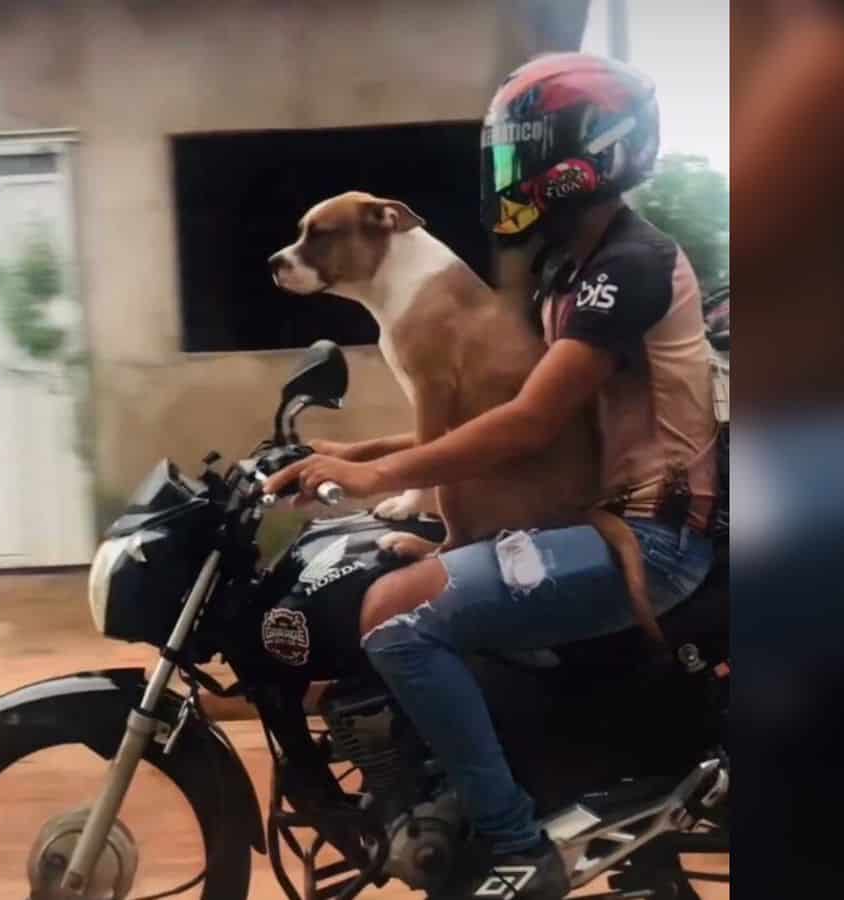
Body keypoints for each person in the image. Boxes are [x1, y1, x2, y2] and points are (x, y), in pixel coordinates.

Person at [264, 53, 721, 900]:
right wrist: (354, 457)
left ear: (582, 156)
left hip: (650, 538)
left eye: (525, 151)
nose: (510, 173)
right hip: (596, 520)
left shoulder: (627, 267)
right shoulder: (571, 269)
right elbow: (494, 416)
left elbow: (531, 422)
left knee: (396, 620)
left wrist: (378, 474)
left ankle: (516, 847)